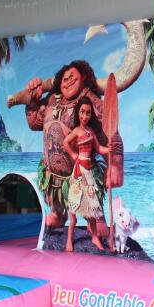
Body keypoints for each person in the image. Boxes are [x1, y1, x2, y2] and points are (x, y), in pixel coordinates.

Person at [25, 61, 105, 240]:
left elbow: (109, 131)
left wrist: (115, 166)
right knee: (54, 200)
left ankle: (96, 217)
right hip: (53, 173)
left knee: (89, 198)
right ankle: (58, 212)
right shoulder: (52, 99)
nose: (67, 81)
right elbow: (34, 123)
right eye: (64, 79)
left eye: (72, 77)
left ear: (84, 77)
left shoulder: (91, 100)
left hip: (81, 169)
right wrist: (33, 101)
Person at [62, 97, 110, 252]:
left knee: (92, 208)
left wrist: (109, 149)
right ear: (78, 113)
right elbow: (65, 143)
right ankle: (69, 240)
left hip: (88, 174)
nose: (84, 116)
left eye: (88, 113)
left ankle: (95, 237)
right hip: (78, 173)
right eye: (82, 112)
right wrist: (73, 154)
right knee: (73, 213)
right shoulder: (77, 131)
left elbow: (99, 148)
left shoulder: (91, 131)